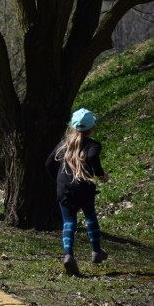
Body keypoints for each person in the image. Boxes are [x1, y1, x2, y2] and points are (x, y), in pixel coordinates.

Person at [45, 108, 110, 276]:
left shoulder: (63, 144)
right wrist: (101, 174)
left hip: (64, 189)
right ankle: (96, 252)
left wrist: (59, 180)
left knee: (69, 222)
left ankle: (68, 255)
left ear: (72, 127)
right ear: (92, 128)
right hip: (84, 189)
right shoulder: (93, 145)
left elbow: (48, 164)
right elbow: (93, 157)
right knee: (90, 218)